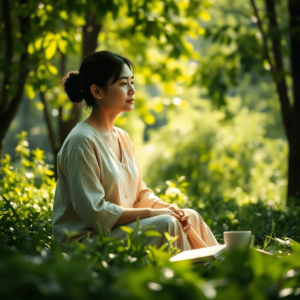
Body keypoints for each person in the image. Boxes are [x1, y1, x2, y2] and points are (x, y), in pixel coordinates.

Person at [52, 50, 219, 253]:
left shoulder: (122, 137)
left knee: (189, 216)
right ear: (97, 92)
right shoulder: (81, 141)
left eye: (132, 82)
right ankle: (190, 281)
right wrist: (152, 214)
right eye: (123, 84)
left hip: (118, 230)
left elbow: (139, 194)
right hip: (88, 241)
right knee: (167, 224)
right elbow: (95, 212)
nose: (132, 90)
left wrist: (168, 208)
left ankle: (223, 272)